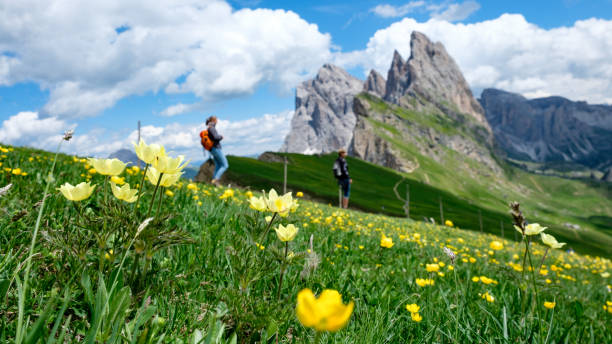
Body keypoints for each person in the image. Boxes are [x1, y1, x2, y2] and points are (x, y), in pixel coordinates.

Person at [205, 116, 228, 186]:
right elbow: (215, 137)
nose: (217, 121)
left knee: (218, 165)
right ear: (214, 120)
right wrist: (221, 136)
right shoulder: (211, 128)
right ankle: (216, 179)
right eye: (217, 120)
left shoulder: (209, 127)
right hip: (216, 148)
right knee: (225, 165)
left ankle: (213, 181)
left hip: (212, 149)